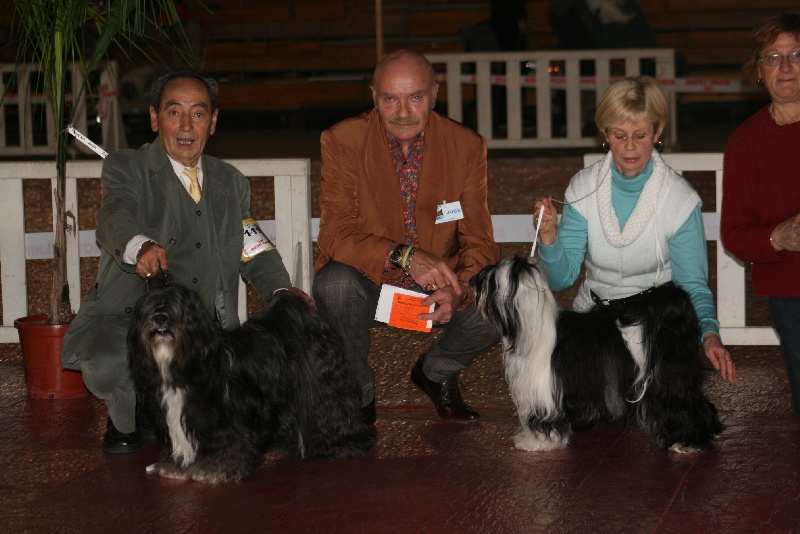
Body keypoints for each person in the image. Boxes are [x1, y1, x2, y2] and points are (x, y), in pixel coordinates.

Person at [62, 70, 296, 453]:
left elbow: (253, 247)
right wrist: (140, 246)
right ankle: (127, 417)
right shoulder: (126, 166)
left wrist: (283, 291)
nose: (187, 126)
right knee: (105, 364)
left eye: (198, 113)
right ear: (155, 118)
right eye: (174, 112)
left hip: (203, 327)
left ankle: (175, 402)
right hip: (130, 317)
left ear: (213, 122)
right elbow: (113, 216)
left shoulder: (231, 182)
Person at [312, 50, 501, 425]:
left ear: (434, 94)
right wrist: (404, 256)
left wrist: (461, 288)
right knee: (333, 285)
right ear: (373, 96)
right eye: (390, 98)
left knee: (505, 301)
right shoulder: (343, 141)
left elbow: (479, 242)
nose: (402, 112)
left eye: (415, 97)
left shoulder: (466, 146)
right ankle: (357, 396)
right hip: (370, 286)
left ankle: (436, 371)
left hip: (439, 292)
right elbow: (335, 234)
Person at [534, 75, 737, 384]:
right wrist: (549, 236)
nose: (630, 147)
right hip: (597, 323)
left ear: (658, 131)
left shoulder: (679, 199)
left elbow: (693, 285)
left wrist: (709, 334)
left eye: (640, 135)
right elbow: (561, 279)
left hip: (657, 324)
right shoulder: (583, 187)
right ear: (605, 134)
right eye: (619, 135)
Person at [721, 13, 800, 420]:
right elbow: (734, 233)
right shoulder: (744, 143)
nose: (786, 67)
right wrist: (777, 238)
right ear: (758, 71)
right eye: (773, 57)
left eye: (797, 55)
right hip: (789, 289)